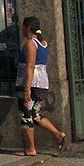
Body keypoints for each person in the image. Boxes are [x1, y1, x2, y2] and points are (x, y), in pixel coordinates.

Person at [15, 15, 67, 156]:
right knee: (35, 115)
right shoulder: (43, 43)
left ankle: (31, 148)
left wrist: (27, 88)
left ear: (28, 28)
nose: (22, 30)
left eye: (23, 27)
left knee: (26, 115)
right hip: (41, 83)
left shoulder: (30, 43)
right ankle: (58, 135)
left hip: (32, 83)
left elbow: (30, 66)